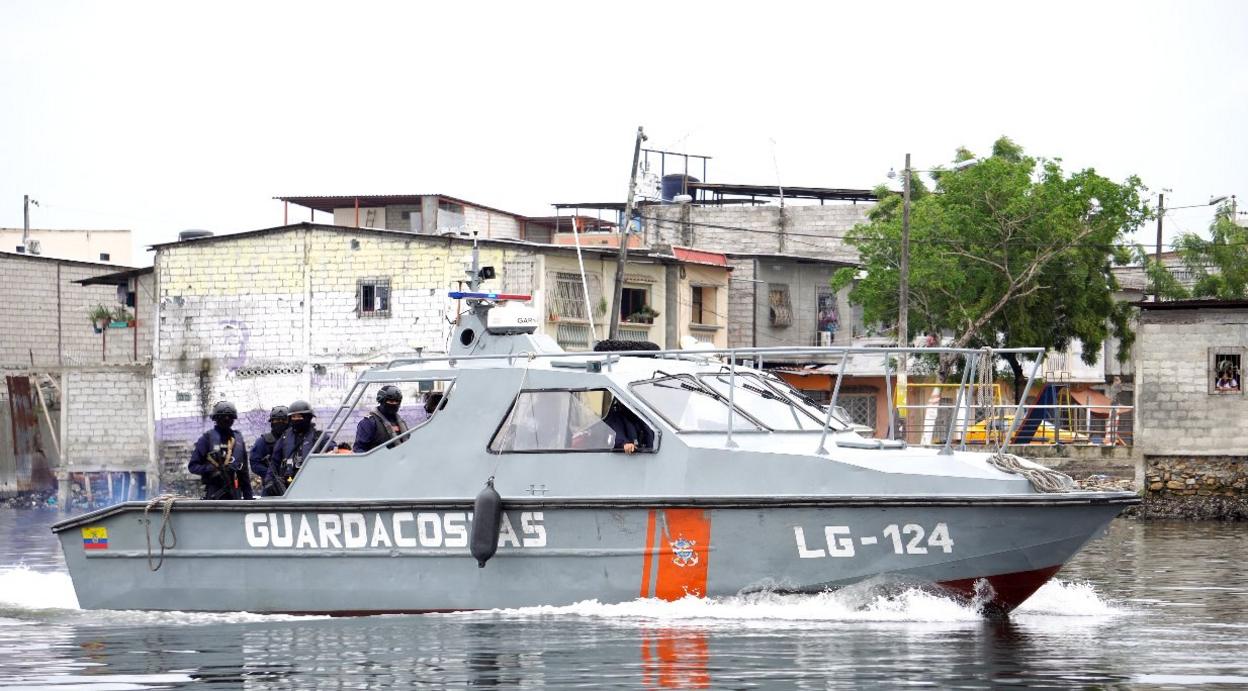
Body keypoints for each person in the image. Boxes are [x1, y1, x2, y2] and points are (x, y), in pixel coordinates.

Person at [188, 401, 249, 500]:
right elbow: (193, 466)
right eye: (223, 416)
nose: (227, 419)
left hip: (234, 491)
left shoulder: (238, 439)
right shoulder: (207, 438)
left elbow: (244, 473)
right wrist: (211, 469)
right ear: (216, 418)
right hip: (214, 491)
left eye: (230, 416)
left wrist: (248, 499)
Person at [270, 400, 334, 495]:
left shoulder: (318, 436)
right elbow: (274, 461)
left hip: (313, 486)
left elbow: (334, 450)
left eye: (299, 416)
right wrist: (269, 480)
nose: (296, 420)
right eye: (294, 417)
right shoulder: (285, 438)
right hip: (289, 485)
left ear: (308, 418)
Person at [353, 385, 409, 453]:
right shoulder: (369, 423)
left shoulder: (401, 422)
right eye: (390, 401)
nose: (394, 404)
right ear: (381, 401)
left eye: (396, 401)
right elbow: (359, 449)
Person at [251, 405, 289, 497]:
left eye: (284, 420)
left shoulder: (293, 440)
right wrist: (271, 474)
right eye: (277, 420)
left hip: (292, 485)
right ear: (272, 422)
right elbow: (254, 463)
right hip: (271, 486)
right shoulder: (263, 441)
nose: (280, 423)